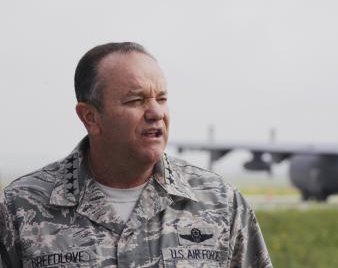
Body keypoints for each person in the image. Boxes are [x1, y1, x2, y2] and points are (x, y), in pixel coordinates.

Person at [0, 42, 272, 268]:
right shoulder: (20, 208)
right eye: (135, 101)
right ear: (90, 117)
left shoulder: (221, 203)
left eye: (161, 99)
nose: (156, 113)